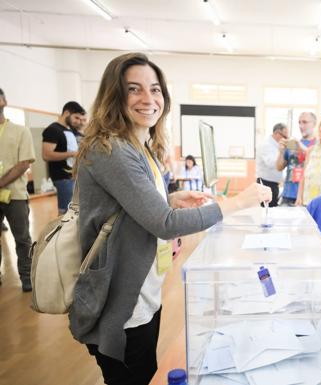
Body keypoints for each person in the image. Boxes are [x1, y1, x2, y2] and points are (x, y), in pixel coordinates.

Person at [68, 52, 271, 385]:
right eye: (134, 89)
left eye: (155, 89)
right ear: (114, 95)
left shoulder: (138, 145)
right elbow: (163, 223)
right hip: (121, 304)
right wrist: (237, 202)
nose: (148, 99)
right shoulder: (113, 150)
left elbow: (133, 205)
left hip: (142, 292)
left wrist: (171, 198)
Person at [0, 87, 36, 291]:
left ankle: (27, 277)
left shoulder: (20, 131)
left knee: (22, 238)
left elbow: (24, 163)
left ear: (4, 100)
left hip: (15, 195)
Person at [42, 100, 86, 214]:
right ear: (66, 113)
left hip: (72, 177)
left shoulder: (69, 131)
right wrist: (72, 154)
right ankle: (61, 232)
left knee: (74, 211)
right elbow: (46, 155)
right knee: (65, 213)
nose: (78, 121)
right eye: (76, 117)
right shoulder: (53, 130)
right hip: (62, 178)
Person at [276, 112, 317, 206]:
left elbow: (315, 162)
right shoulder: (292, 143)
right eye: (299, 122)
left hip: (308, 197)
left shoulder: (318, 146)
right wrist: (281, 152)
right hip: (288, 195)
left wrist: (301, 146)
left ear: (314, 124)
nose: (301, 126)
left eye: (305, 122)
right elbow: (279, 167)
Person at [257, 122, 288, 207]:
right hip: (266, 184)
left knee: (272, 208)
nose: (286, 139)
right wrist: (284, 158)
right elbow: (271, 163)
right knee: (267, 210)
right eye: (285, 136)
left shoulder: (276, 145)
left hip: (273, 184)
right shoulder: (266, 145)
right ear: (277, 133)